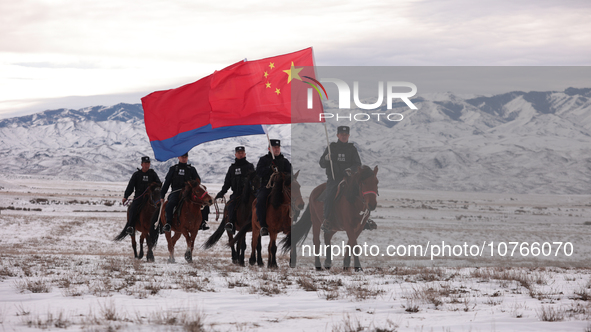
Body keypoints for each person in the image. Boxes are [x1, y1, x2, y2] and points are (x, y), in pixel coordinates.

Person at [319, 126, 362, 231]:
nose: (344, 136)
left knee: (362, 193)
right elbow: (322, 164)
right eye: (342, 134)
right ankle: (327, 220)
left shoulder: (352, 149)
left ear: (348, 136)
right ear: (337, 135)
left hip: (349, 179)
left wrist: (350, 169)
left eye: (346, 135)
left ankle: (364, 218)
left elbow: (358, 164)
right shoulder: (331, 148)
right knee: (329, 195)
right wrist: (326, 158)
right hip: (334, 179)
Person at [160, 152, 209, 232]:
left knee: (204, 203)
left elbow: (198, 182)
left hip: (189, 193)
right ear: (178, 157)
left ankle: (203, 222)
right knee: (170, 204)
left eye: (185, 157)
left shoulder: (192, 169)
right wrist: (162, 195)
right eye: (182, 157)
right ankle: (168, 223)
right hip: (176, 192)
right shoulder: (173, 169)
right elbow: (167, 183)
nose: (184, 158)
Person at [255, 139, 292, 236]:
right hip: (267, 187)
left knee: (294, 199)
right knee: (261, 200)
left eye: (278, 147)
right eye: (274, 147)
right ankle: (263, 225)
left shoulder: (285, 161)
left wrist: (282, 175)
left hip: (281, 189)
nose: (276, 149)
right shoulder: (263, 160)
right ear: (269, 148)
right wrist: (269, 168)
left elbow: (290, 174)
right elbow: (258, 172)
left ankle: (292, 221)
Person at [215, 146, 255, 232]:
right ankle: (231, 223)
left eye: (242, 153)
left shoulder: (250, 166)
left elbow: (255, 179)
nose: (240, 155)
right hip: (237, 193)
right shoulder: (232, 168)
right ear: (235, 154)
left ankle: (261, 223)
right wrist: (222, 192)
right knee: (230, 205)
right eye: (239, 153)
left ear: (245, 154)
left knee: (258, 204)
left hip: (249, 193)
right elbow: (227, 183)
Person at [122, 156, 161, 234]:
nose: (147, 165)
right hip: (139, 197)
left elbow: (159, 184)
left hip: (150, 197)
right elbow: (130, 186)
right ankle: (131, 226)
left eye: (148, 163)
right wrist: (125, 196)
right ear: (141, 164)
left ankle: (160, 226)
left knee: (159, 208)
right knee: (132, 208)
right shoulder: (136, 175)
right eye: (145, 163)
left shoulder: (152, 174)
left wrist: (154, 185)